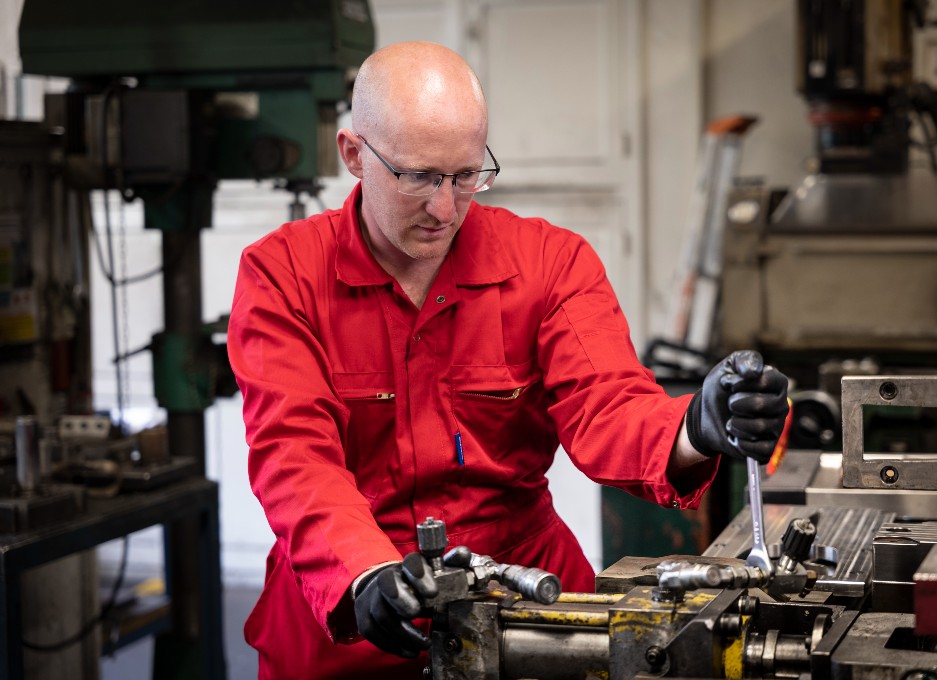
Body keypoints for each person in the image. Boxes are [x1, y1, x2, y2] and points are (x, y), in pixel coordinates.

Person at [227, 40, 789, 679]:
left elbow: (608, 405)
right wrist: (367, 573)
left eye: (466, 176)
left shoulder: (550, 265)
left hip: (526, 608)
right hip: (356, 618)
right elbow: (295, 456)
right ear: (354, 154)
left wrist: (694, 428)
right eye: (419, 177)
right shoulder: (283, 276)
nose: (445, 209)